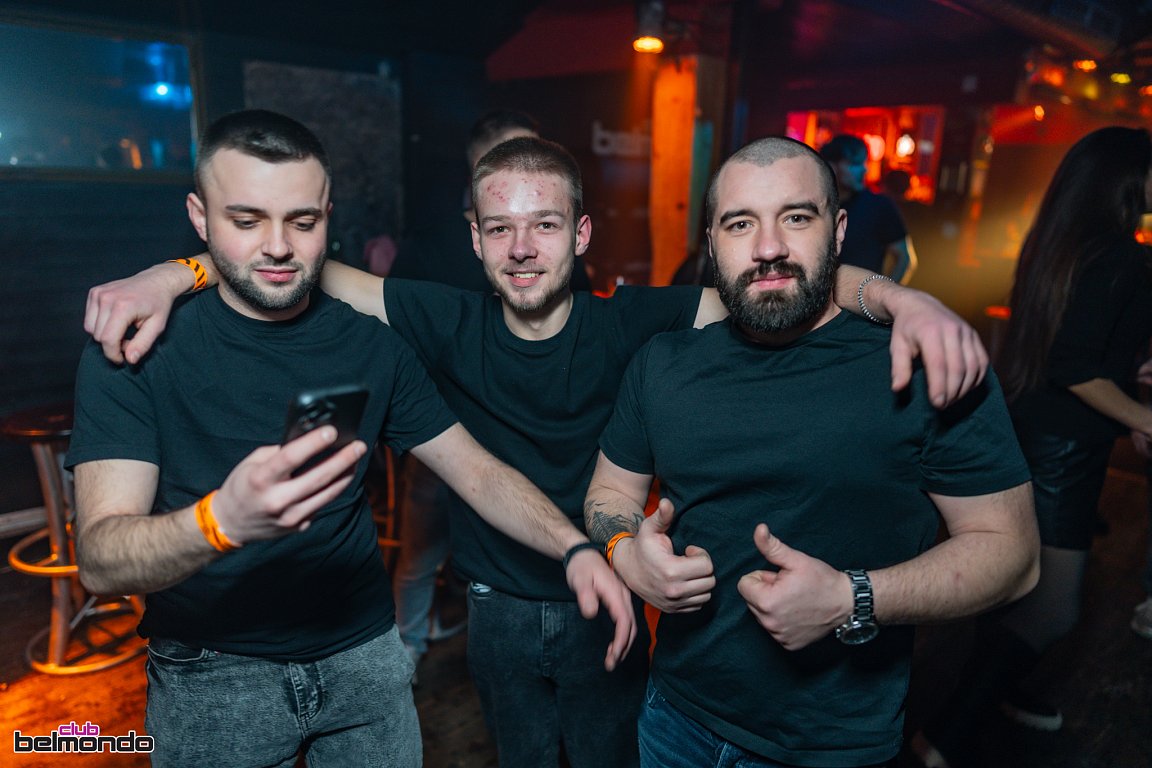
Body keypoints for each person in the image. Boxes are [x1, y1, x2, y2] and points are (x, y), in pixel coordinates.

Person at [84, 136, 989, 768]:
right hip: (497, 608)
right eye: (501, 229)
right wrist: (175, 271)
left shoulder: (635, 323)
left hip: (610, 597)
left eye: (547, 225)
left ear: (581, 235)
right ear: (475, 239)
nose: (523, 250)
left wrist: (900, 299)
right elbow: (290, 262)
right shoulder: (443, 317)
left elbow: (780, 279)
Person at [67, 110, 634, 768]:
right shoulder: (137, 345)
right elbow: (101, 560)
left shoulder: (371, 341)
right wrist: (219, 522)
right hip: (213, 672)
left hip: (363, 655)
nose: (278, 246)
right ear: (200, 217)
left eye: (302, 222)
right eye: (246, 221)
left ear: (328, 216)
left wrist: (574, 546)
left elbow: (476, 471)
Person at [582, 136, 1039, 768]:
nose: (769, 246)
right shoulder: (663, 363)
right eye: (740, 223)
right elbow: (610, 492)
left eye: (796, 217)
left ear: (839, 230)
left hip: (829, 747)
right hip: (673, 717)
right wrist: (625, 552)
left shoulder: (922, 360)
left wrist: (854, 598)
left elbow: (1015, 556)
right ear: (712, 242)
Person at [913, 126, 1152, 767]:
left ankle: (997, 691)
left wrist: (1130, 379)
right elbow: (1076, 367)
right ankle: (943, 737)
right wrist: (1144, 416)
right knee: (1053, 612)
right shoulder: (1122, 257)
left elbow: (1073, 349)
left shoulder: (1059, 244)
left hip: (1026, 429)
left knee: (1013, 591)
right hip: (1063, 454)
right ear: (1127, 181)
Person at [390, 109, 598, 675]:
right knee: (422, 547)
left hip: (524, 436)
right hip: (444, 433)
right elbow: (394, 332)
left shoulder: (553, 250)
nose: (529, 168)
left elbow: (573, 327)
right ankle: (407, 654)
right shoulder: (433, 244)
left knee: (517, 554)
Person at [820, 134, 917, 283]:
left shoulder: (879, 206)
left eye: (864, 162)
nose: (864, 169)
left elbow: (904, 259)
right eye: (855, 163)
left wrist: (883, 295)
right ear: (832, 166)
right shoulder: (814, 205)